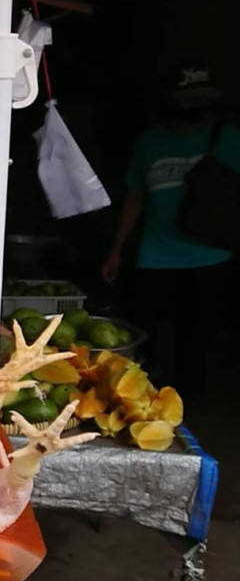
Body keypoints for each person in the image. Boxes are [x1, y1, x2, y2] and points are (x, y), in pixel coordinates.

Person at [101, 62, 239, 395]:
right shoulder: (151, 142)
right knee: (146, 332)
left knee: (197, 337)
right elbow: (135, 196)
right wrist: (117, 250)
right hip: (157, 254)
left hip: (212, 255)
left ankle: (187, 404)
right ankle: (140, 398)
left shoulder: (228, 138)